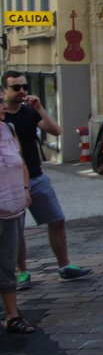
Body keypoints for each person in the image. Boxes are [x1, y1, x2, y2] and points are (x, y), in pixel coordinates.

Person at [2, 70, 91, 287]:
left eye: (24, 87)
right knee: (17, 229)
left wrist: (39, 108)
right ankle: (22, 271)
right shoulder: (4, 118)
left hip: (36, 175)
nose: (22, 91)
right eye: (16, 88)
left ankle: (64, 266)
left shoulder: (28, 113)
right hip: (12, 181)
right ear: (5, 90)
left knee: (56, 218)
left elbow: (56, 130)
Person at [0, 117, 34, 333]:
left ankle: (12, 316)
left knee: (7, 264)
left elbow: (20, 163)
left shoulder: (8, 128)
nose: (2, 106)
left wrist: (25, 189)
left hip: (12, 207)